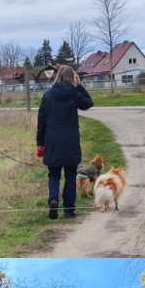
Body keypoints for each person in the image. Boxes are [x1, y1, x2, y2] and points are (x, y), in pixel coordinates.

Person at [36, 65, 93, 221]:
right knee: (70, 174)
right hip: (70, 141)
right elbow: (88, 103)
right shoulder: (74, 94)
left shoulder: (47, 96)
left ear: (57, 76)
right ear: (72, 78)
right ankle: (69, 210)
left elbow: (41, 122)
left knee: (53, 173)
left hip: (52, 140)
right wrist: (80, 85)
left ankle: (53, 199)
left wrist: (40, 143)